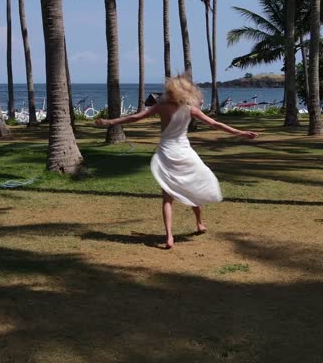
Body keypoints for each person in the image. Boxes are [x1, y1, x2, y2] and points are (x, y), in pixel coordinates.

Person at [96, 75, 258, 249]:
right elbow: (215, 124)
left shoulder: (161, 107)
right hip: (184, 152)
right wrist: (240, 132)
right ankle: (199, 223)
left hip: (166, 152)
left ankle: (169, 237)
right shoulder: (191, 110)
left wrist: (109, 122)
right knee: (194, 189)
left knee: (167, 198)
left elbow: (134, 118)